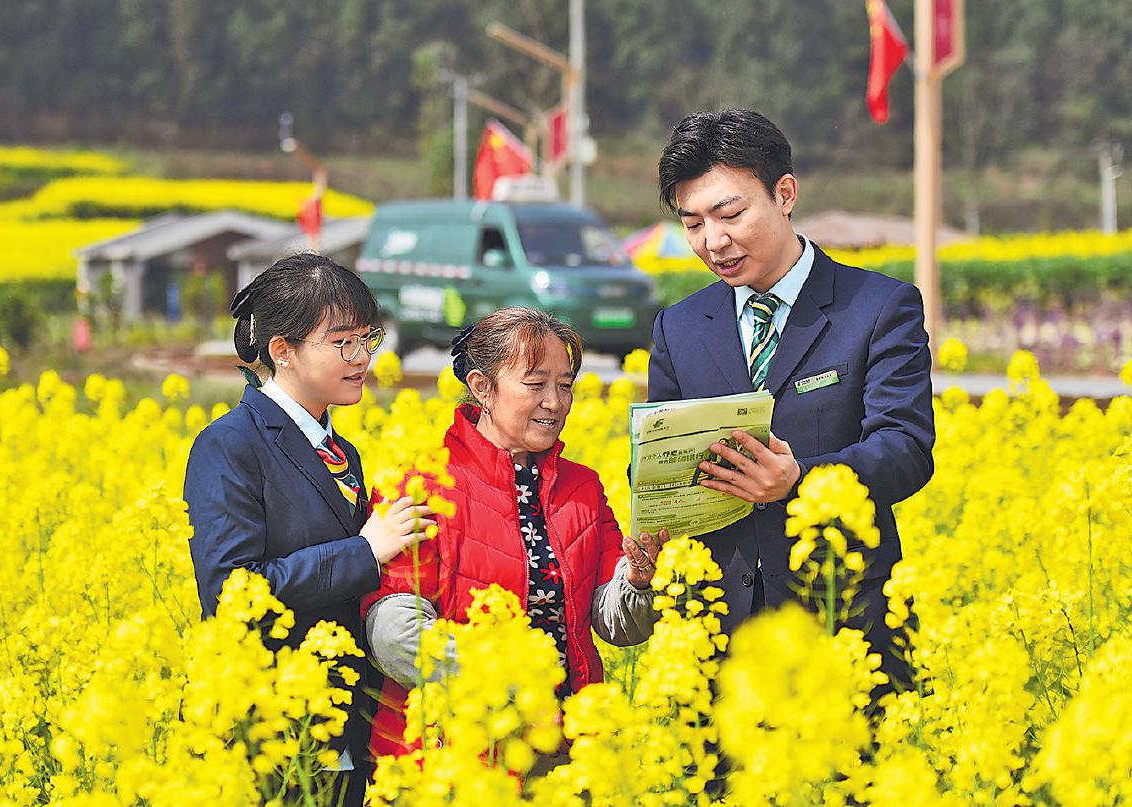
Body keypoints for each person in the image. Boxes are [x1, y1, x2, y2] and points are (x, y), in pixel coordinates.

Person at [649, 109, 935, 693]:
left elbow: (905, 449)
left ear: (784, 195)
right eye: (693, 223)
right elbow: (656, 457)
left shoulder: (878, 307)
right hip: (716, 635)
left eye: (730, 215)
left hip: (843, 625)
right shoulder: (679, 327)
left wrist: (800, 480)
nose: (714, 241)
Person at [362, 307, 665, 758]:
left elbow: (614, 625)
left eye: (565, 386)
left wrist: (637, 582)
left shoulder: (583, 488)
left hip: (570, 747)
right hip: (460, 751)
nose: (554, 402)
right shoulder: (423, 486)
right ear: (482, 388)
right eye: (536, 384)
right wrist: (510, 685)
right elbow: (393, 634)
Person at [183, 252, 431, 805]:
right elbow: (231, 592)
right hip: (265, 723)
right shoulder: (229, 445)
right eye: (342, 343)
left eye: (367, 339)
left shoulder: (342, 452)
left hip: (339, 714)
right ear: (283, 351)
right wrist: (365, 551)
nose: (362, 357)